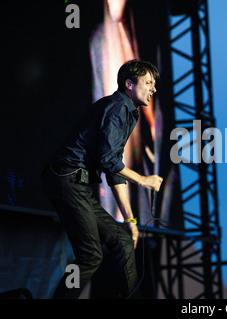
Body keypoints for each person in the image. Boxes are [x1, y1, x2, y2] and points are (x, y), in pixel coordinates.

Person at [41, 59, 163, 299]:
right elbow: (109, 161)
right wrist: (142, 179)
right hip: (66, 178)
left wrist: (129, 218)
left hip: (78, 185)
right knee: (90, 255)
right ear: (129, 83)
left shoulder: (129, 113)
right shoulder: (117, 107)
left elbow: (113, 168)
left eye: (154, 84)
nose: (153, 89)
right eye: (148, 82)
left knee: (124, 242)